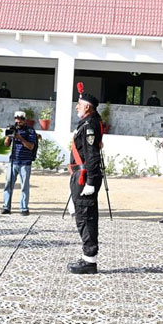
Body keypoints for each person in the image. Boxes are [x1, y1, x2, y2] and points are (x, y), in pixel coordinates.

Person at [66, 89, 103, 275]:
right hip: (80, 176)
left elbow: (92, 156)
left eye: (79, 105)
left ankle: (89, 261)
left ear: (87, 107)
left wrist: (90, 181)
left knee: (86, 217)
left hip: (85, 177)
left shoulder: (89, 125)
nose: (76, 107)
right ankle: (87, 257)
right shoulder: (87, 123)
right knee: (81, 215)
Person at [2, 111, 37, 215]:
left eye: (21, 119)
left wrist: (20, 138)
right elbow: (6, 145)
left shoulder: (30, 130)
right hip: (13, 161)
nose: (18, 121)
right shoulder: (13, 128)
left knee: (24, 186)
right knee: (8, 184)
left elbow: (31, 146)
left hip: (25, 163)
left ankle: (24, 208)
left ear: (24, 120)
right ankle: (6, 207)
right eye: (16, 118)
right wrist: (9, 135)